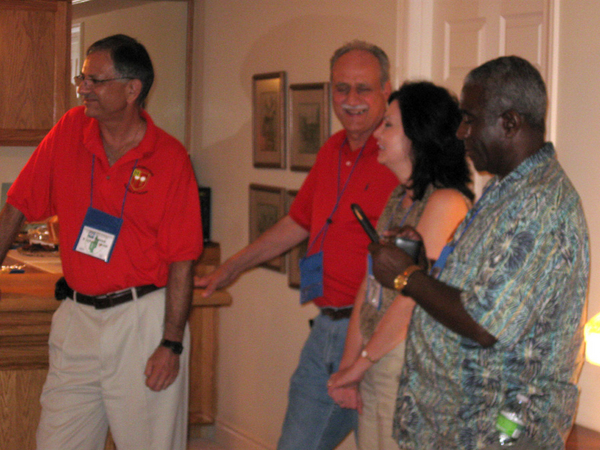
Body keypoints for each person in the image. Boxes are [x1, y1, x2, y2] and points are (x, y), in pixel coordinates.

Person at [368, 56, 589, 450]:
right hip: (453, 424)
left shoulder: (540, 205)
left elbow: (485, 323)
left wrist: (407, 277)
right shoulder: (508, 189)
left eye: (469, 119)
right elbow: (478, 290)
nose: (460, 132)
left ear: (509, 123)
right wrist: (423, 265)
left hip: (490, 431)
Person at [0, 34, 202, 450]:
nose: (83, 88)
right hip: (76, 319)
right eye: (82, 78)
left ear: (133, 89)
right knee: (56, 442)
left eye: (95, 79)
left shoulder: (170, 158)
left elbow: (183, 260)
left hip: (141, 322)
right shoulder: (70, 130)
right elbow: (17, 206)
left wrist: (171, 343)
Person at [196, 40, 398, 449]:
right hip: (325, 328)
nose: (351, 100)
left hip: (375, 337)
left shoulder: (399, 160)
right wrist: (232, 267)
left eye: (364, 88)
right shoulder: (330, 151)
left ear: (386, 91)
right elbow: (297, 223)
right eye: (342, 89)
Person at [327, 81, 473, 450]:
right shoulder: (401, 196)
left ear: (419, 135)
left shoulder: (446, 203)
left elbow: (412, 299)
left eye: (388, 124)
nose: (377, 133)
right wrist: (350, 367)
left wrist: (359, 364)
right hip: (378, 355)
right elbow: (371, 283)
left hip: (408, 361)